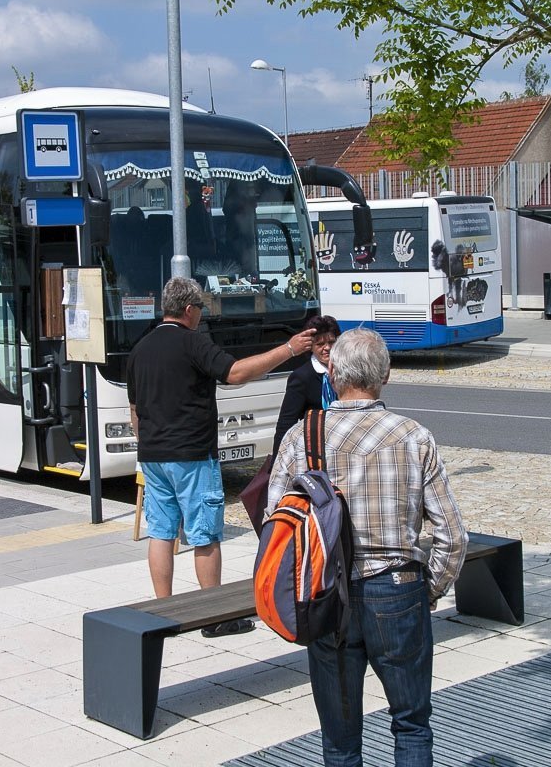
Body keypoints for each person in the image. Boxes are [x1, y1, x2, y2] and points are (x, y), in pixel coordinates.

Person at [267, 328, 468, 766]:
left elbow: (274, 523)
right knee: (412, 723)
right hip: (397, 590)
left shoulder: (304, 437)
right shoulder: (414, 437)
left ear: (333, 372)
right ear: (386, 375)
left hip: (327, 598)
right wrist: (427, 590)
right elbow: (453, 536)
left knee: (339, 741)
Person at [128, 276, 315, 633]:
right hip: (193, 454)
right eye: (200, 309)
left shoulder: (142, 347)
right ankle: (213, 617)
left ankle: (164, 609)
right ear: (188, 310)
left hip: (152, 454)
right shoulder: (192, 343)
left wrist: (146, 443)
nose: (201, 315)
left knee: (161, 532)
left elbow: (134, 408)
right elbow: (235, 373)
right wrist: (288, 349)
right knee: (204, 535)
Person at [271, 315, 341, 453]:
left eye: (331, 342)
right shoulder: (302, 377)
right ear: (310, 347)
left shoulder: (347, 371)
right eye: (320, 344)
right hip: (316, 451)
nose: (327, 348)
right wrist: (276, 466)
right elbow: (285, 424)